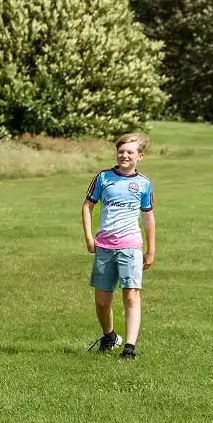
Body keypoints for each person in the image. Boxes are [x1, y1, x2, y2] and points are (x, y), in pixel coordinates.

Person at [82, 132, 155, 360]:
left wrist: (151, 249)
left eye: (130, 152)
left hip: (131, 246)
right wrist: (89, 238)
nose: (124, 155)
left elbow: (148, 217)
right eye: (121, 151)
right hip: (104, 246)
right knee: (102, 302)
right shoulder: (103, 178)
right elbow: (87, 207)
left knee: (131, 296)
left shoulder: (143, 184)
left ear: (139, 156)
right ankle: (110, 336)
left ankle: (129, 348)